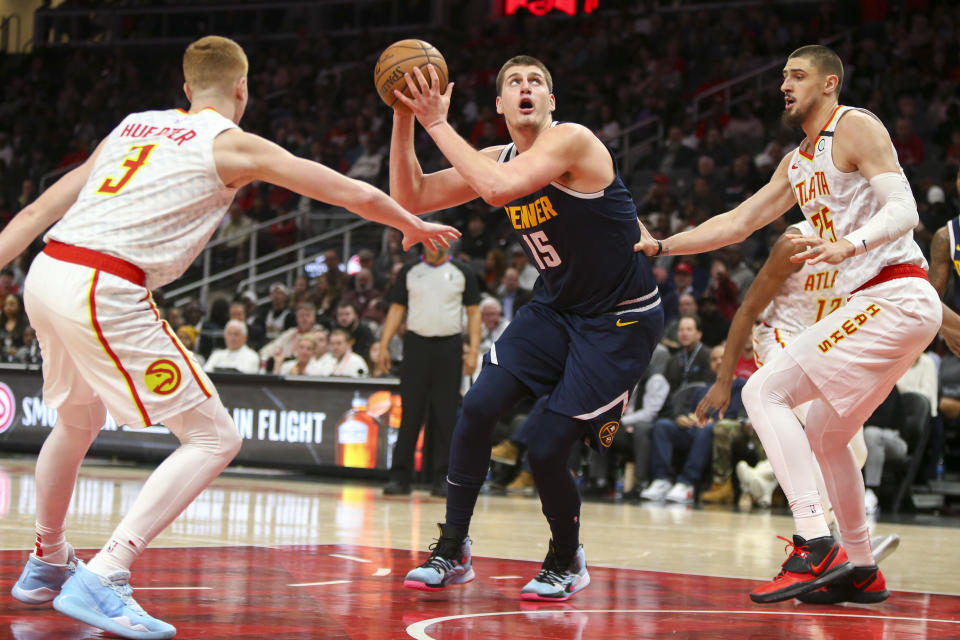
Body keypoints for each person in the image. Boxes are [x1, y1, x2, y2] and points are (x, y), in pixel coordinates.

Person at [4, 35, 458, 639]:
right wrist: (410, 222)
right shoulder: (233, 143)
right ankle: (105, 573)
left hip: (46, 271)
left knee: (76, 422)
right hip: (102, 285)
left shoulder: (133, 125)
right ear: (242, 89)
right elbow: (341, 188)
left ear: (186, 90)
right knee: (214, 437)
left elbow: (37, 211)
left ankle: (47, 560)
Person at [638, 44, 939, 605]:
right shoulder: (798, 160)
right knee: (827, 435)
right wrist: (663, 244)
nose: (785, 84)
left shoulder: (854, 126)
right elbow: (738, 221)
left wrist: (847, 243)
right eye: (782, 76)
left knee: (765, 390)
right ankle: (862, 567)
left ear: (829, 84)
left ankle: (813, 540)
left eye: (798, 76)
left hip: (894, 292)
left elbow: (906, 210)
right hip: (884, 305)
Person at [391, 55, 662, 600]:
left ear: (551, 101)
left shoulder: (573, 142)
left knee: (543, 447)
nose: (526, 88)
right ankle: (454, 547)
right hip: (557, 310)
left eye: (537, 81)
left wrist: (436, 123)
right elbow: (412, 197)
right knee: (478, 407)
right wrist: (403, 116)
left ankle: (568, 557)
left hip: (618, 319)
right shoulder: (499, 156)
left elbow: (495, 190)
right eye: (514, 82)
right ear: (500, 104)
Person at [379, 242, 481, 497]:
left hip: (449, 346)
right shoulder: (410, 270)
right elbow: (396, 308)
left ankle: (444, 478)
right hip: (416, 346)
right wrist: (383, 345)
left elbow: (474, 312)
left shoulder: (462, 271)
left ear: (447, 244)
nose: (434, 245)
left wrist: (473, 350)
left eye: (439, 241)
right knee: (410, 412)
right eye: (429, 240)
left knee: (446, 415)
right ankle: (399, 476)